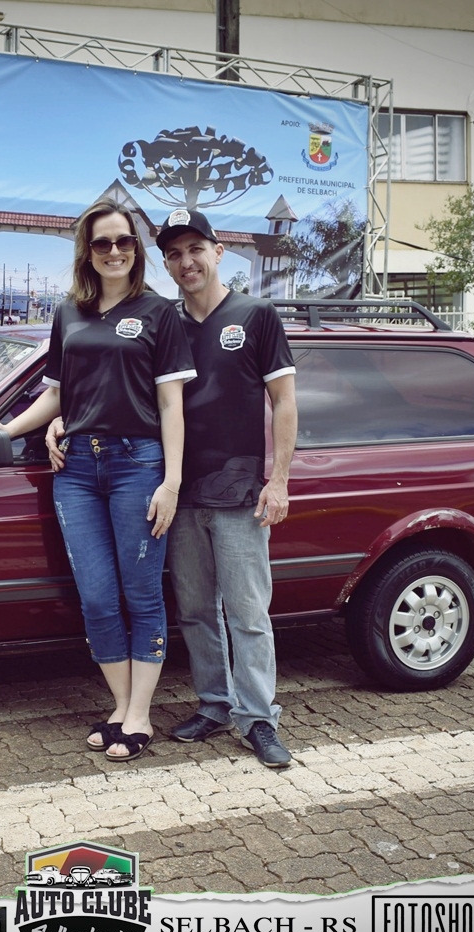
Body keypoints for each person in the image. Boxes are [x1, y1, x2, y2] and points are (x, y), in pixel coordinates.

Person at [0, 199, 195, 762]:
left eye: (124, 241)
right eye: (102, 243)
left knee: (141, 593)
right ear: (87, 253)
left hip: (138, 464)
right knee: (95, 596)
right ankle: (120, 705)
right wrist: (6, 427)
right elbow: (58, 395)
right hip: (77, 471)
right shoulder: (70, 312)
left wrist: (171, 481)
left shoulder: (159, 313)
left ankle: (139, 714)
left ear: (136, 248)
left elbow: (171, 405)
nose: (114, 251)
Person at [156, 208, 298, 768]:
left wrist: (278, 480)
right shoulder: (164, 323)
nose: (186, 262)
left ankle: (258, 717)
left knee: (248, 613)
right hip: (179, 494)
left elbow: (283, 401)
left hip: (241, 495)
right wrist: (60, 421)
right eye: (174, 254)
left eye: (196, 249)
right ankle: (214, 704)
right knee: (195, 611)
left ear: (218, 252)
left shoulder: (256, 315)